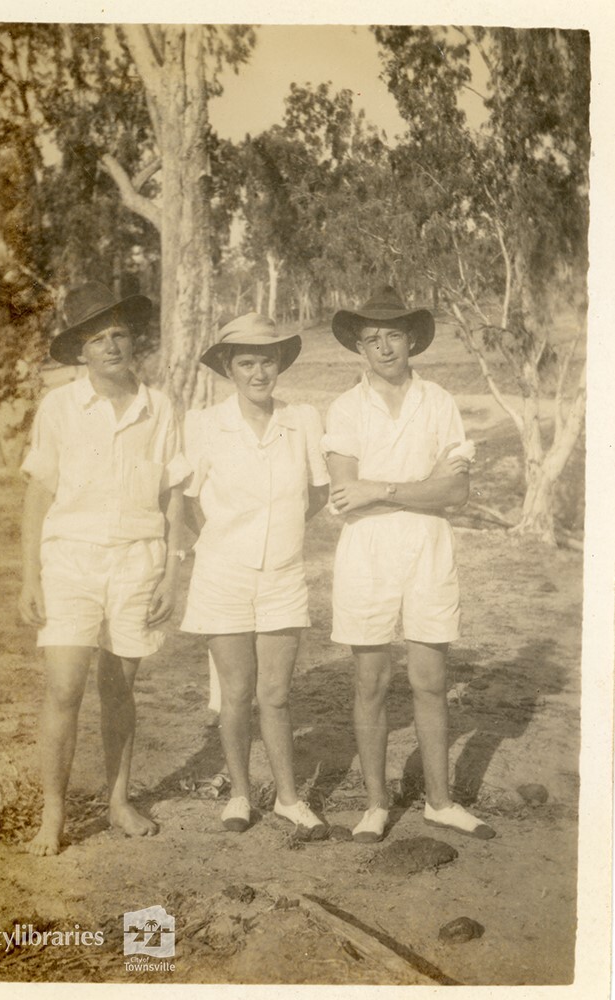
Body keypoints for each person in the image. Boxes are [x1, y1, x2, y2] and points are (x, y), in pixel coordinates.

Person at [18, 281, 190, 856]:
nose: (112, 346)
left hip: (138, 562)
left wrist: (170, 572)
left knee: (119, 690)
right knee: (64, 686)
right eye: (98, 339)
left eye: (119, 334)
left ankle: (119, 801)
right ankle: (54, 814)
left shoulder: (160, 406)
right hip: (70, 560)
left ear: (132, 341)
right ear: (81, 352)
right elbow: (37, 497)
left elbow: (173, 496)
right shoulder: (59, 407)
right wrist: (28, 578)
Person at [322, 285, 496, 844]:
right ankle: (375, 803)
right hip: (366, 554)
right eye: (371, 338)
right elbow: (346, 493)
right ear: (359, 346)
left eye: (393, 334)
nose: (383, 347)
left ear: (411, 339)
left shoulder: (438, 400)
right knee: (370, 682)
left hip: (427, 547)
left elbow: (457, 494)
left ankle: (440, 803)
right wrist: (412, 489)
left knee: (430, 680)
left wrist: (385, 487)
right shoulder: (346, 408)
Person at [181, 312, 329, 834]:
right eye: (247, 362)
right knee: (237, 691)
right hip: (222, 574)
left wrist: (279, 531)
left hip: (283, 574)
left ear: (279, 364)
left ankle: (288, 797)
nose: (258, 372)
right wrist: (222, 538)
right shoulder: (204, 424)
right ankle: (240, 795)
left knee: (277, 694)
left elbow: (317, 492)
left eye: (267, 360)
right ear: (229, 367)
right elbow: (188, 498)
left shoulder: (303, 419)